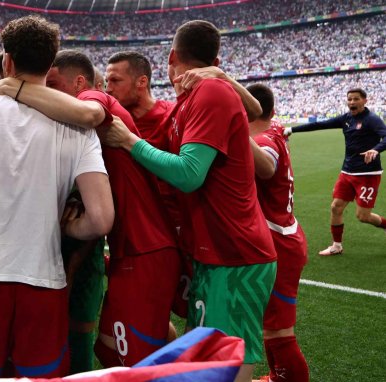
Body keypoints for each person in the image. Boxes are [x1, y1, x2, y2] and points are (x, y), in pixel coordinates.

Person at [0, 16, 114, 381]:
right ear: (51, 66)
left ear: (8, 62)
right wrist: (68, 223)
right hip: (44, 282)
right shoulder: (79, 130)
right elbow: (101, 219)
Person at [101, 20, 277, 382]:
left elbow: (188, 173)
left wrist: (128, 142)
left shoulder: (210, 93)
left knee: (231, 358)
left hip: (236, 253)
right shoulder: (188, 100)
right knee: (204, 355)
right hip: (211, 251)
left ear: (171, 56)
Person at [0, 49, 180, 368]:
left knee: (131, 358)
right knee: (110, 349)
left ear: (78, 83)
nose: (44, 92)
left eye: (52, 84)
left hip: (145, 249)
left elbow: (88, 114)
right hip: (135, 247)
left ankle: (192, 371)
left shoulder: (91, 96)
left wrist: (15, 87)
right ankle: (189, 367)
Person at [248, 84, 310, 382]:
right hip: (283, 236)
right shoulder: (273, 130)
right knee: (271, 326)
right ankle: (276, 377)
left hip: (279, 242)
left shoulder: (264, 140)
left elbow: (268, 164)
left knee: (278, 329)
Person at [284, 88, 386, 255]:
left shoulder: (372, 119)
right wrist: (293, 130)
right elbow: (320, 124)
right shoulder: (346, 118)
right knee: (336, 207)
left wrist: (376, 150)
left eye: (356, 99)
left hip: (367, 174)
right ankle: (336, 246)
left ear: (365, 101)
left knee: (363, 216)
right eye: (350, 99)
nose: (352, 102)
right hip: (347, 172)